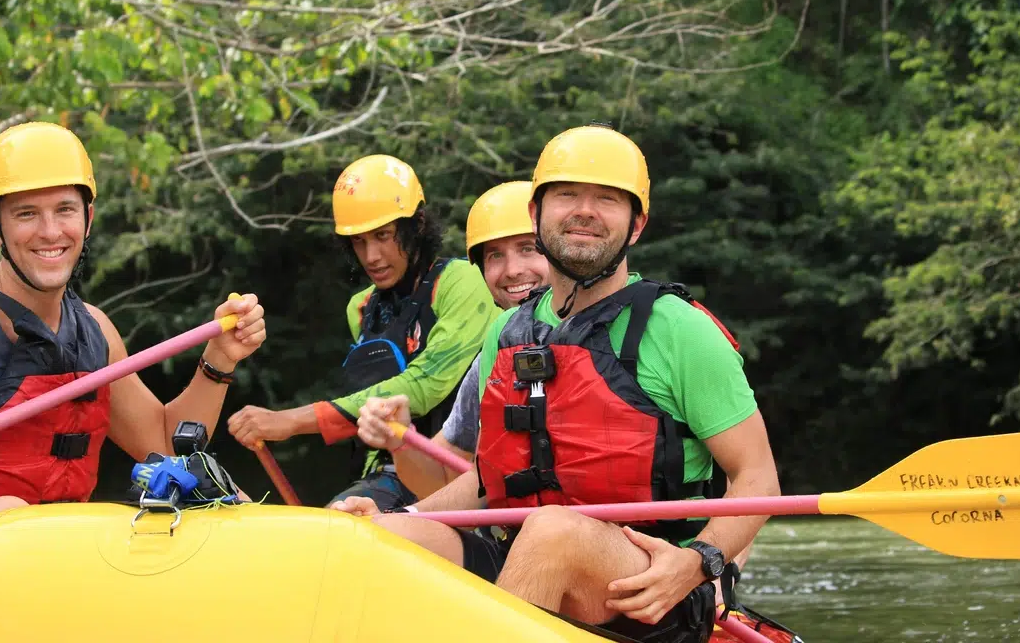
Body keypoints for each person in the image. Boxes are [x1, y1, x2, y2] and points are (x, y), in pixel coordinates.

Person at [331, 125, 781, 643]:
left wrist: (700, 561)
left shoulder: (681, 329)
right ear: (536, 214)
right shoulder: (507, 331)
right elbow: (488, 479)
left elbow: (757, 480)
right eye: (567, 194)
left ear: (636, 225)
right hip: (523, 554)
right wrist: (398, 514)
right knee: (375, 537)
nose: (584, 210)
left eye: (607, 199)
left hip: (653, 580)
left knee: (553, 531)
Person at [0, 121, 268, 607]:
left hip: (57, 570)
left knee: (204, 500)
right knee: (10, 521)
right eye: (26, 213)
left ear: (88, 219)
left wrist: (218, 360)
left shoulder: (94, 331)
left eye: (65, 210)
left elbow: (163, 443)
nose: (50, 232)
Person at [228, 154, 495, 510]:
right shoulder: (361, 307)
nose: (371, 256)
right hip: (386, 471)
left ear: (416, 225)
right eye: (358, 241)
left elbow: (425, 385)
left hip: (456, 470)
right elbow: (369, 405)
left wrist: (291, 421)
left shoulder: (463, 282)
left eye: (383, 236)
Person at [354, 180, 550, 499]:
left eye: (528, 249)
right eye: (495, 256)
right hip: (513, 539)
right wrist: (401, 441)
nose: (512, 270)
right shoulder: (495, 354)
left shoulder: (628, 328)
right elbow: (441, 483)